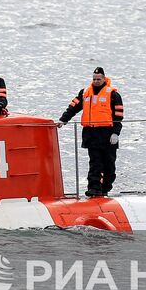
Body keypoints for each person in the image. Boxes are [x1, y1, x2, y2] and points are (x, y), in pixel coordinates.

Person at [57, 67, 123, 197]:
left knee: (109, 164)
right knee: (95, 163)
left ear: (104, 79)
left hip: (107, 133)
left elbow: (118, 116)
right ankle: (94, 188)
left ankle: (105, 188)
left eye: (98, 79)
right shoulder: (85, 92)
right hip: (91, 133)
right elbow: (73, 107)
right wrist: (63, 120)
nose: (96, 81)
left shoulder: (113, 94)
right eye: (94, 79)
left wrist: (116, 133)